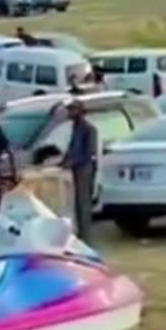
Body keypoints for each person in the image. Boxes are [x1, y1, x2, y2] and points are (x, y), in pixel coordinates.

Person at [61, 100, 98, 241]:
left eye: (72, 110)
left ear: (80, 112)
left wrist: (71, 162)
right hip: (76, 168)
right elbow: (72, 149)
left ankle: (86, 237)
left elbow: (89, 153)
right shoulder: (75, 128)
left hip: (85, 168)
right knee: (76, 204)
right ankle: (80, 235)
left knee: (83, 204)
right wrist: (63, 162)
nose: (69, 113)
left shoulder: (89, 129)